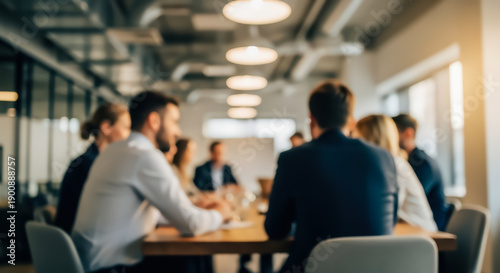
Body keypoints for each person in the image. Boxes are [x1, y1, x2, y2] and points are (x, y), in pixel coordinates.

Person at [72, 91, 232, 273]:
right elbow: (190, 225)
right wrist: (221, 212)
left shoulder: (115, 150)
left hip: (90, 264)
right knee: (193, 260)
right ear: (154, 121)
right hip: (111, 269)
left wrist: (197, 209)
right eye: (174, 121)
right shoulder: (145, 156)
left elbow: (159, 215)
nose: (178, 131)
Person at [265, 80, 398, 273]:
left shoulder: (292, 158)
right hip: (378, 267)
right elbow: (389, 223)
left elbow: (275, 230)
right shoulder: (385, 157)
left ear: (311, 118)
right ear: (351, 120)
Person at [54, 103, 130, 234]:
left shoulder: (88, 160)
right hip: (79, 239)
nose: (129, 135)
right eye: (126, 128)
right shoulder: (91, 165)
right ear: (106, 127)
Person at [354, 115, 437, 231]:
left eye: (358, 138)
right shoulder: (385, 164)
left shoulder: (394, 165)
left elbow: (389, 208)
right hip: (403, 231)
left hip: (420, 234)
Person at [393, 114, 449, 231]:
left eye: (394, 133)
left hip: (430, 232)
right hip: (412, 226)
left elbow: (405, 200)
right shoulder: (409, 161)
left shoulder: (422, 164)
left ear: (408, 133)